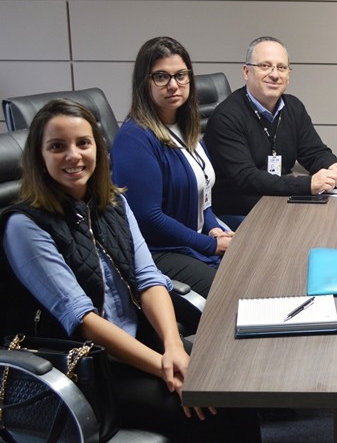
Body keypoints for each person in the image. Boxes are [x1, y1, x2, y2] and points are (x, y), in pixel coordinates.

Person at [0, 99, 260, 441]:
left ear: (98, 148)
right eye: (57, 147)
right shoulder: (25, 225)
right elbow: (83, 319)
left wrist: (174, 348)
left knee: (232, 385)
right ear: (39, 156)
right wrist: (164, 366)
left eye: (83, 143)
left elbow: (149, 280)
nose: (73, 156)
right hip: (86, 370)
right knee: (205, 408)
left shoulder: (114, 204)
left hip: (142, 345)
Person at [111, 36, 231, 298]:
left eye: (181, 75)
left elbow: (203, 196)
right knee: (231, 293)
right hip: (160, 252)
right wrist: (210, 244)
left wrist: (213, 227)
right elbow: (148, 218)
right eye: (161, 77)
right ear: (145, 82)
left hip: (191, 242)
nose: (173, 85)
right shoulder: (135, 138)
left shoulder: (186, 126)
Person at [204, 36, 337, 229]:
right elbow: (246, 178)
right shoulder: (226, 116)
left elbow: (314, 152)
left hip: (281, 202)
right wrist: (308, 185)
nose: (274, 74)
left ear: (288, 75)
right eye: (265, 66)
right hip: (239, 211)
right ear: (246, 71)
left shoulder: (293, 107)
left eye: (281, 68)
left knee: (331, 225)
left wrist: (333, 166)